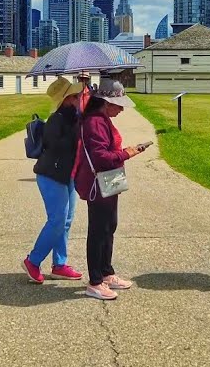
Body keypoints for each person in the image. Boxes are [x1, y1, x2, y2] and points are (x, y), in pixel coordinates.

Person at [76, 78, 148, 300]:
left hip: (110, 178)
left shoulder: (102, 118)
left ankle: (106, 272)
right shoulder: (94, 122)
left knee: (109, 225)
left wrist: (125, 152)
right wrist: (127, 153)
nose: (121, 110)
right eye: (119, 105)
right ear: (106, 103)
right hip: (100, 179)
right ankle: (95, 281)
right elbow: (99, 157)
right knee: (98, 230)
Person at [23, 77, 86, 283]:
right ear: (66, 99)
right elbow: (59, 148)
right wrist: (78, 128)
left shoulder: (73, 118)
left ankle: (59, 264)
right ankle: (33, 261)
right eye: (75, 97)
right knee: (57, 220)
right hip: (51, 176)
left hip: (66, 176)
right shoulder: (56, 120)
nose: (79, 99)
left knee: (66, 221)